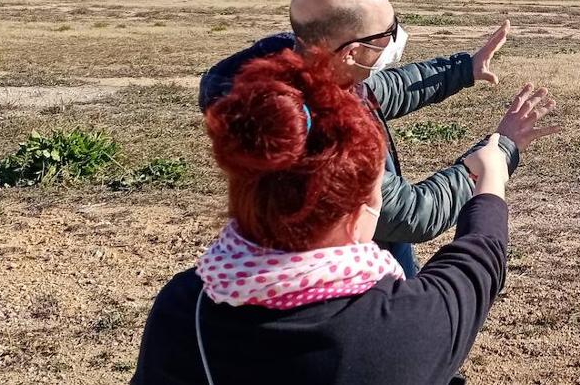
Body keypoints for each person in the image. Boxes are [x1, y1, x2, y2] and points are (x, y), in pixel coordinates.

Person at [133, 49, 558, 384]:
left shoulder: (183, 308)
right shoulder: (407, 328)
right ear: (358, 218)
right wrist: (495, 164)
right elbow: (479, 257)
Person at [199, 0, 541, 277]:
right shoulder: (315, 142)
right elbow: (416, 212)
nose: (396, 40)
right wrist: (499, 151)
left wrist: (464, 68)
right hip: (353, 285)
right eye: (387, 34)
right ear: (350, 53)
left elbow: (383, 90)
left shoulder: (308, 67)